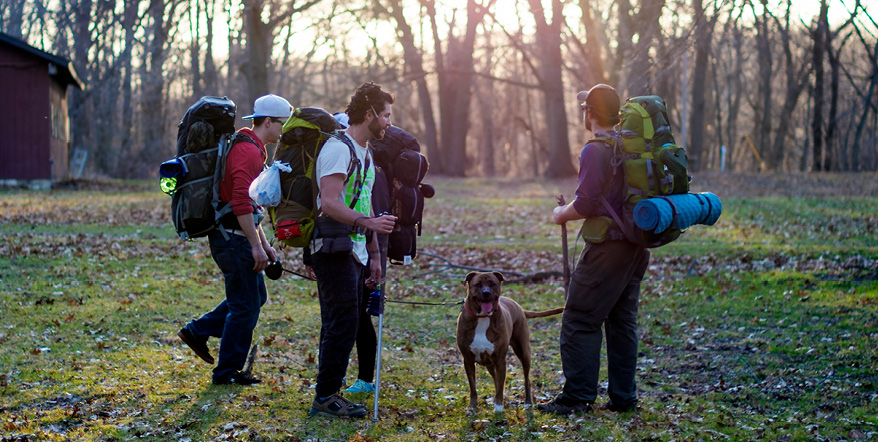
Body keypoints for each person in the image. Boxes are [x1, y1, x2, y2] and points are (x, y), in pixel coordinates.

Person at [538, 84, 650, 414]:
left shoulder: (594, 150)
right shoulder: (628, 146)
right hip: (635, 247)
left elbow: (585, 203)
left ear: (589, 113)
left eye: (584, 108)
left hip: (607, 249)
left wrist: (561, 213)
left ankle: (577, 398)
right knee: (621, 323)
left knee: (580, 319)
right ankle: (624, 398)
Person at [177, 94, 291, 385]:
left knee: (254, 298)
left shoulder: (249, 146)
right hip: (233, 239)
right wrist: (255, 246)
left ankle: (198, 331)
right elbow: (240, 202)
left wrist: (265, 245)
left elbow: (252, 207)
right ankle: (226, 372)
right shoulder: (248, 152)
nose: (283, 130)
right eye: (282, 124)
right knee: (245, 307)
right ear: (268, 122)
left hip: (235, 235)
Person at [307, 83, 397, 418]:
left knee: (344, 321)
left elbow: (363, 202)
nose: (388, 122)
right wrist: (369, 225)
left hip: (356, 250)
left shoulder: (366, 154)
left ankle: (327, 392)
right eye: (385, 115)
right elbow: (329, 203)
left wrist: (374, 255)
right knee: (341, 323)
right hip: (332, 246)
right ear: (370, 113)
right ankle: (326, 396)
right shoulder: (338, 149)